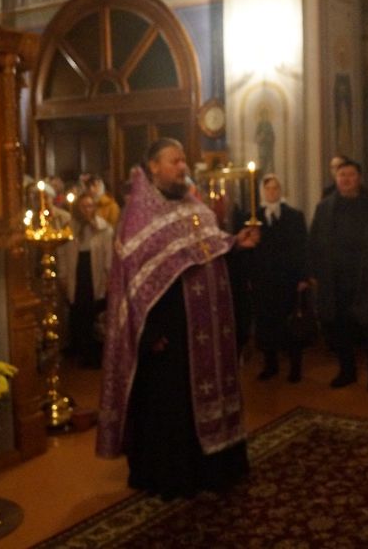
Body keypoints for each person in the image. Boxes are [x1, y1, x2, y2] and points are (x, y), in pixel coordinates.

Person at [96, 138, 260, 500]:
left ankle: (219, 467)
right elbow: (133, 285)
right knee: (174, 406)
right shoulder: (138, 218)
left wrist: (236, 244)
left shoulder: (195, 208)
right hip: (171, 334)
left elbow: (211, 251)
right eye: (174, 161)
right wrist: (150, 331)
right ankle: (178, 475)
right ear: (153, 167)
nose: (183, 166)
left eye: (184, 160)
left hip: (210, 329)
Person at [309, 159, 368, 391]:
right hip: (335, 279)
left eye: (351, 175)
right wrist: (315, 273)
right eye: (342, 175)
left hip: (366, 277)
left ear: (359, 178)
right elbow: (314, 240)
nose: (346, 179)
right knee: (340, 328)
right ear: (336, 179)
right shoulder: (324, 208)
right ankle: (347, 372)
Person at [250, 174, 308, 382]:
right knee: (267, 324)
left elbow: (303, 247)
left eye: (275, 188)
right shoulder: (253, 217)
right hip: (264, 280)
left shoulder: (294, 216)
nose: (272, 192)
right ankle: (270, 365)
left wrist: (302, 277)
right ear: (262, 192)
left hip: (287, 279)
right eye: (268, 189)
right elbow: (250, 253)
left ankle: (295, 367)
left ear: (281, 190)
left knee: (290, 324)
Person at [58, 193, 113, 369]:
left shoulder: (104, 229)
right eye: (83, 206)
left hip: (94, 272)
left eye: (90, 206)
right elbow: (62, 253)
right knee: (78, 312)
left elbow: (108, 255)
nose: (87, 210)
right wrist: (62, 275)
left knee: (94, 313)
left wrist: (109, 277)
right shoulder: (69, 228)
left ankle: (94, 354)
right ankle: (81, 350)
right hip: (78, 271)